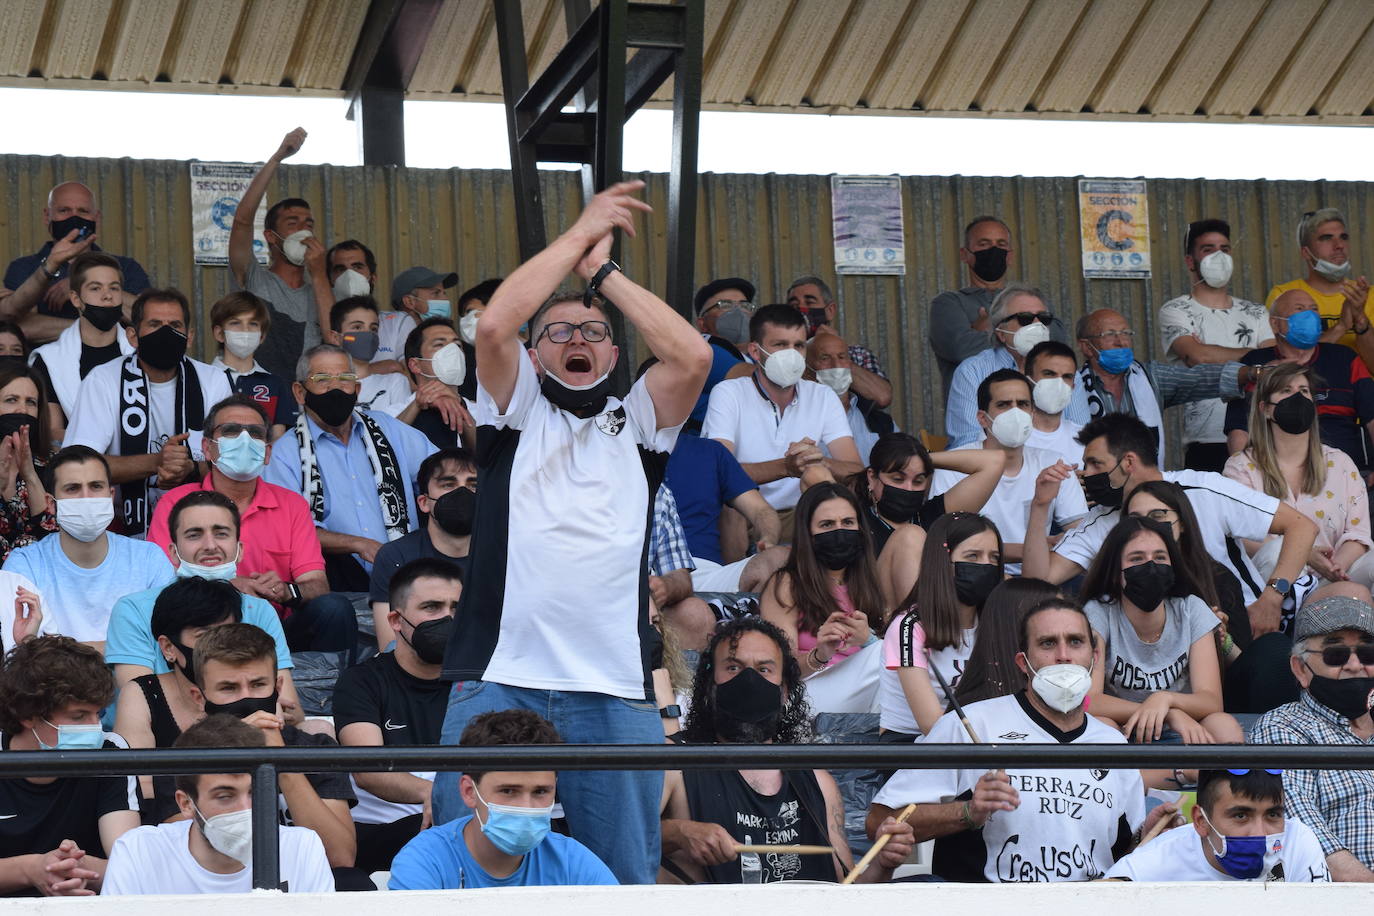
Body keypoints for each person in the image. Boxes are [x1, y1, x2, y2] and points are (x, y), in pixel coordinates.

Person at [432, 180, 711, 886]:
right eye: (558, 333)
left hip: (614, 688)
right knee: (461, 867)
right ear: (536, 355)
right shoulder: (515, 411)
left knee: (621, 875)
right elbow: (493, 327)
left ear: (615, 355)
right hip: (499, 677)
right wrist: (580, 234)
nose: (577, 340)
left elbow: (693, 358)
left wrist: (603, 275)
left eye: (593, 333)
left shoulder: (641, 419)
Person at [866, 597, 1157, 883]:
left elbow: (1123, 855)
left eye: (1075, 641)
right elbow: (879, 820)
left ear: (1093, 658)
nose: (1064, 655)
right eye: (1048, 643)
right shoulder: (971, 724)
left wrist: (1150, 837)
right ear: (1023, 662)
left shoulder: (1113, 745)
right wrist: (968, 812)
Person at [660, 616, 914, 884]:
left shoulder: (818, 781)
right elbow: (623, 845)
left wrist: (883, 863)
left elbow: (847, 893)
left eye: (764, 670)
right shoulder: (675, 762)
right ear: (710, 683)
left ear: (784, 691)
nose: (749, 680)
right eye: (733, 667)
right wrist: (678, 832)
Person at [1023, 413, 1318, 639]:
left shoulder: (1204, 488)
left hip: (1240, 627)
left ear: (1128, 462)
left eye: (1095, 464)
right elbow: (1038, 580)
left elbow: (1301, 526)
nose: (1086, 475)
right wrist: (1040, 506)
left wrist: (1271, 599)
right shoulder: (1101, 520)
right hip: (1148, 645)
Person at [147, 395, 352, 659]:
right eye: (231, 431)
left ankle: (328, 695)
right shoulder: (176, 503)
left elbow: (317, 584)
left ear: (267, 453)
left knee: (334, 608)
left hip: (277, 627)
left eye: (255, 433)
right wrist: (228, 586)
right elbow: (160, 583)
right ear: (207, 449)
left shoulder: (292, 505)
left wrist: (285, 590)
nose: (244, 440)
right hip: (203, 626)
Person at [188, 623, 360, 880]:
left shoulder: (316, 748)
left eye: (258, 685)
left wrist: (279, 759)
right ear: (199, 698)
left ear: (278, 688)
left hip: (299, 882)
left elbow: (339, 857)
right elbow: (179, 845)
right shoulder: (183, 754)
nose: (247, 698)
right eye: (228, 688)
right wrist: (229, 747)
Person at [264, 343, 436, 595]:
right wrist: (356, 544)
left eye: (345, 379)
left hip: (408, 574)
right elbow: (287, 528)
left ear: (357, 389)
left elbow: (441, 476)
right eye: (322, 379)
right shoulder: (285, 454)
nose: (335, 388)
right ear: (300, 392)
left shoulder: (388, 430)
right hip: (336, 580)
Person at [106, 490, 299, 713]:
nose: (209, 545)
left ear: (240, 550)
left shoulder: (259, 609)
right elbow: (147, 707)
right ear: (173, 553)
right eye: (194, 535)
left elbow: (290, 708)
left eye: (221, 534)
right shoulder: (133, 610)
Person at [101, 714, 335, 895]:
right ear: (186, 804)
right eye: (225, 796)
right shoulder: (138, 851)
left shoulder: (302, 847)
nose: (245, 808)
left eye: (256, 792)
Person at [65, 287, 233, 536]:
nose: (166, 332)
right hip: (118, 528)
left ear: (189, 336)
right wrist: (157, 462)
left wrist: (191, 468)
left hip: (200, 524)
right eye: (154, 324)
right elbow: (77, 466)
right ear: (133, 336)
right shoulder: (103, 379)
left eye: (175, 325)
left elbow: (232, 463)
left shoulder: (213, 380)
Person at [390, 709, 617, 890]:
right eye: (508, 791)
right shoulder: (426, 860)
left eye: (540, 792)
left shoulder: (571, 860)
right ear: (469, 791)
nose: (526, 807)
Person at [336, 558, 461, 873]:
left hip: (463, 820)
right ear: (395, 620)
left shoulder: (480, 683)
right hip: (387, 831)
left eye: (456, 608)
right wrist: (433, 793)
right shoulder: (361, 681)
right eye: (432, 608)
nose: (447, 618)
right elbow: (368, 770)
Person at [1080, 516, 1243, 744]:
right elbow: (1090, 700)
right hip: (1122, 726)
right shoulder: (1098, 612)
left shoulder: (1191, 608)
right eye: (1137, 558)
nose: (1151, 566)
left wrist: (1165, 699)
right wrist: (1164, 711)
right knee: (1102, 729)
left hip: (1185, 728)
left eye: (1159, 557)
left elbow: (1211, 701)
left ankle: (1218, 781)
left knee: (1223, 724)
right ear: (1115, 573)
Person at [0, 635, 139, 897]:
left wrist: (76, 868)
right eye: (79, 716)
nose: (95, 727)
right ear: (28, 715)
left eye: (99, 714)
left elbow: (130, 865)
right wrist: (32, 868)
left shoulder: (111, 750)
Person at [1248, 594, 1374, 881]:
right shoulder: (1283, 726)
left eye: (1368, 654)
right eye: (1335, 655)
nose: (1355, 665)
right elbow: (1300, 827)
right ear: (1300, 669)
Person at [3, 446, 172, 648]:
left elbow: (167, 643)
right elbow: (23, 653)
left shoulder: (149, 559)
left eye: (96, 486)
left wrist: (59, 649)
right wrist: (125, 648)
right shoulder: (25, 565)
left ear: (110, 496)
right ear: (51, 503)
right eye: (73, 488)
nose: (87, 497)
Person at [703, 303, 863, 517]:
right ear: (755, 352)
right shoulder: (728, 393)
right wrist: (787, 467)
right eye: (780, 344)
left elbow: (855, 469)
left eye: (798, 345)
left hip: (804, 517)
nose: (792, 354)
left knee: (818, 475)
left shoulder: (822, 396)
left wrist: (816, 461)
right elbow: (718, 472)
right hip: (746, 516)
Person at [1225, 362, 1374, 587]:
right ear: (1265, 408)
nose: (1298, 397)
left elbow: (1358, 534)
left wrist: (1335, 569)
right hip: (1274, 583)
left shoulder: (1340, 463)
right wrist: (1303, 553)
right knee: (1276, 552)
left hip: (1334, 577)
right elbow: (1243, 536)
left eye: (1304, 391)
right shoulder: (1241, 467)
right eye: (1286, 390)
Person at [931, 369, 1087, 576]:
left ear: (1032, 414)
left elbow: (1080, 534)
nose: (1015, 413)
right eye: (1003, 405)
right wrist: (1030, 550)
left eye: (1023, 404)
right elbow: (944, 541)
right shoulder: (953, 467)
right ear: (982, 418)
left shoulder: (1053, 463)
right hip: (974, 575)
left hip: (1042, 576)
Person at [111, 576, 243, 820]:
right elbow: (142, 790)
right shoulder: (143, 694)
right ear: (168, 647)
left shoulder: (252, 689)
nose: (218, 646)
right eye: (204, 635)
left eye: (227, 633)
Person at [1065, 307, 1257, 459]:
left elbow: (1201, 378)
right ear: (1086, 347)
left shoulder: (1150, 377)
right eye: (1109, 334)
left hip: (1145, 490)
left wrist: (1250, 373)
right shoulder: (1070, 386)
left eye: (1125, 333)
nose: (1121, 342)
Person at [1159, 219, 1273, 472]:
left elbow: (1274, 361)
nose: (1219, 256)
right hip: (1206, 443)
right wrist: (1255, 358)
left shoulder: (1256, 312)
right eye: (1208, 249)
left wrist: (1212, 352)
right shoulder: (1176, 310)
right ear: (1191, 261)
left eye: (1225, 248)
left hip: (1261, 438)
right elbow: (1197, 357)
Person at [1225, 288, 1374, 481]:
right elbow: (1239, 429)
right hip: (1277, 477)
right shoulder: (1256, 364)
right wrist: (1246, 478)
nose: (1309, 315)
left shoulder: (1344, 358)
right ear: (1275, 324)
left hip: (1348, 475)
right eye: (1299, 309)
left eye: (1314, 309)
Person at [880, 512, 1003, 739]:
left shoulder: (999, 622)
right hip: (917, 745)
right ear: (942, 562)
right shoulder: (908, 627)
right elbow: (931, 725)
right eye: (973, 556)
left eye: (994, 558)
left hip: (983, 742)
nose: (986, 565)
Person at [229, 128, 334, 380]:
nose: (303, 229)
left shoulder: (320, 291)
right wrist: (277, 158)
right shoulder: (255, 277)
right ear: (270, 236)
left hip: (306, 398)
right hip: (262, 396)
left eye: (309, 224)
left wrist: (319, 275)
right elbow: (242, 220)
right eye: (292, 223)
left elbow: (334, 337)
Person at [928, 216, 1069, 398]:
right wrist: (1026, 334)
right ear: (965, 255)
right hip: (976, 416)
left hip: (1037, 412)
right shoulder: (948, 303)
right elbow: (960, 349)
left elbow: (1056, 341)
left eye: (1001, 244)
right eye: (984, 244)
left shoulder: (1032, 299)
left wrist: (988, 328)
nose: (994, 251)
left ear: (1010, 255)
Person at [1105, 767, 1329, 882]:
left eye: (1273, 815)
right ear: (1201, 821)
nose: (1259, 833)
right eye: (1241, 816)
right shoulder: (1150, 864)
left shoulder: (1299, 841)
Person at [761, 482, 886, 678]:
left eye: (847, 522)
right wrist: (821, 654)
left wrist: (867, 640)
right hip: (811, 687)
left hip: (866, 684)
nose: (839, 531)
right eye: (827, 524)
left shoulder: (870, 580)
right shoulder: (788, 583)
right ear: (807, 534)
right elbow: (781, 669)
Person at [1, 181, 149, 343]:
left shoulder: (126, 267)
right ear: (47, 216)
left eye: (83, 211)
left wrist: (81, 285)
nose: (74, 217)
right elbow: (21, 327)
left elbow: (148, 319)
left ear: (96, 218)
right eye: (64, 210)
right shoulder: (24, 268)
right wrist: (99, 326)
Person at [848, 431, 1004, 572]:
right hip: (880, 602)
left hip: (935, 601)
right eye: (898, 479)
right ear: (872, 477)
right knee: (910, 536)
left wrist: (921, 458)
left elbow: (994, 462)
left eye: (918, 480)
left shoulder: (932, 516)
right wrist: (910, 461)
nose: (908, 488)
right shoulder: (855, 522)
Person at [368, 448, 473, 649]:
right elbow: (390, 644)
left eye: (473, 484)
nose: (462, 492)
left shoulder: (507, 556)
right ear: (424, 502)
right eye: (448, 484)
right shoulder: (395, 556)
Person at [663, 432, 784, 599]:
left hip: (707, 574)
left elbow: (761, 511)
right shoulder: (621, 453)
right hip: (647, 574)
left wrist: (768, 538)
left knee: (779, 558)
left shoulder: (710, 451)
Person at [28, 252, 134, 434]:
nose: (107, 295)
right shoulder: (50, 361)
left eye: (114, 288)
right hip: (77, 460)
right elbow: (53, 433)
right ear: (76, 299)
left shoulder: (140, 354)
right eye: (95, 288)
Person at [945, 283, 1057, 447]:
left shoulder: (1065, 372)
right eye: (1025, 318)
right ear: (1001, 333)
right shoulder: (973, 371)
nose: (1037, 326)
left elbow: (1081, 437)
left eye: (1044, 318)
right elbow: (967, 442)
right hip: (992, 468)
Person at [1266, 208, 1369, 353]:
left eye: (1343, 237)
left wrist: (1361, 321)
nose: (1339, 245)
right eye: (1327, 238)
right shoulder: (1283, 294)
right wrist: (1341, 327)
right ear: (1306, 253)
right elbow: (1289, 357)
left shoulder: (1367, 295)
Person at [953, 578, 1064, 706]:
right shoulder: (972, 712)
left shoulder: (1067, 695)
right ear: (1017, 623)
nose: (1064, 654)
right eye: (1048, 642)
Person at [785, 275, 892, 408]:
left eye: (809, 302)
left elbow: (882, 397)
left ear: (830, 311)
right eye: (794, 305)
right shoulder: (781, 355)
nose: (801, 309)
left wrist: (837, 354)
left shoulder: (857, 354)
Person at [207, 291, 296, 439]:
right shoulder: (202, 379)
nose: (245, 330)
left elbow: (276, 441)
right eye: (235, 323)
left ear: (261, 336)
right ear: (219, 334)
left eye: (253, 324)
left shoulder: (275, 384)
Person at [807, 328, 897, 463]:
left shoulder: (879, 422)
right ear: (806, 368)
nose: (836, 365)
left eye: (842, 357)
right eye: (825, 358)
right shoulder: (797, 419)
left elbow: (904, 463)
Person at [0, 365, 58, 567]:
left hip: (39, 584)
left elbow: (53, 539)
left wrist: (30, 475)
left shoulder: (55, 465)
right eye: (11, 400)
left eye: (30, 402)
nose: (22, 410)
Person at [687, 277, 752, 432]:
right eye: (725, 305)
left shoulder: (755, 356)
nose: (738, 312)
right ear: (702, 323)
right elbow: (758, 382)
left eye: (745, 305)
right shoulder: (705, 350)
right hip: (710, 450)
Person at [399, 316, 475, 450]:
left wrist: (459, 405)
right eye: (439, 345)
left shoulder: (483, 412)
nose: (453, 351)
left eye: (457, 345)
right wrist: (417, 405)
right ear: (415, 365)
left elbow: (488, 458)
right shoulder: (395, 413)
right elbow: (386, 450)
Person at [329, 296, 413, 415]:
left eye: (373, 329)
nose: (367, 334)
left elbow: (400, 431)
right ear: (336, 338)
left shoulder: (396, 382)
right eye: (357, 327)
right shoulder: (324, 386)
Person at [1023, 340, 1084, 463]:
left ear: (1073, 386)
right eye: (1049, 374)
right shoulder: (1007, 437)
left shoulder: (1085, 439)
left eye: (1067, 376)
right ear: (1028, 381)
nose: (1059, 383)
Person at [385, 265, 459, 366]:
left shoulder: (453, 344)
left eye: (444, 293)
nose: (445, 299)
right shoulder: (386, 341)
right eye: (436, 293)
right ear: (409, 301)